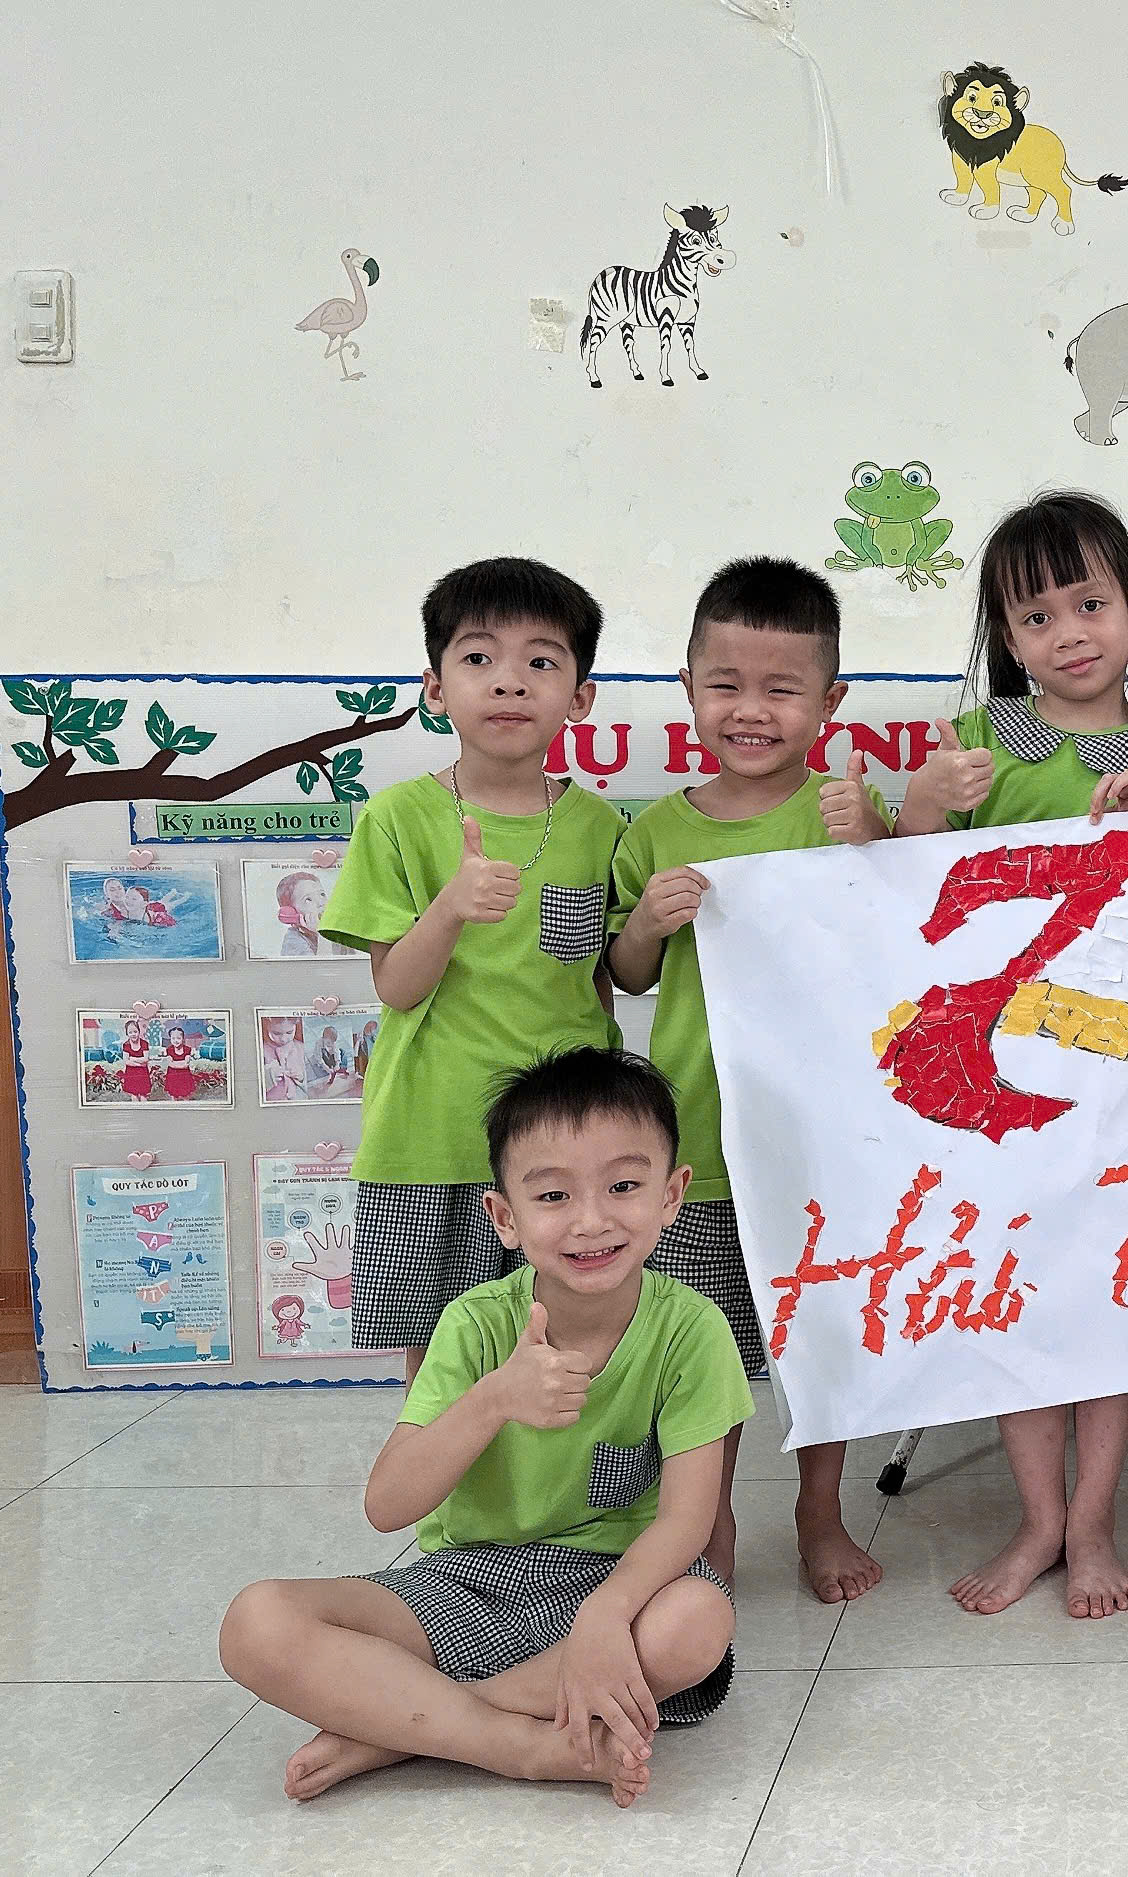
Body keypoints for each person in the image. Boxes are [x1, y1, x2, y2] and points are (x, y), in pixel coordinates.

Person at [217, 1047, 753, 1807]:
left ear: (671, 1196)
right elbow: (387, 1506)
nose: (592, 1220)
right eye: (553, 1195)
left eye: (624, 1186)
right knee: (257, 1621)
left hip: (615, 1582)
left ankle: (404, 1726)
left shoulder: (692, 1330)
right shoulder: (473, 1324)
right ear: (505, 1217)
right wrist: (494, 1398)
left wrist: (604, 1615)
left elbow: (686, 1521)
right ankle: (516, 1744)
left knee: (698, 1620)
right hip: (464, 1580)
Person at [894, 489, 1128, 1619]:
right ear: (1005, 633)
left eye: (1088, 604)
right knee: (1018, 1290)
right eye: (1035, 617)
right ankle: (1037, 1518)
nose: (1067, 633)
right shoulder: (982, 745)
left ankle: (1092, 1521)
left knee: (1108, 1289)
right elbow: (906, 899)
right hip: (1003, 1072)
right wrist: (922, 807)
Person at [608, 555, 892, 1603]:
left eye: (782, 688)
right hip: (695, 1131)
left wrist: (872, 841)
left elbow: (901, 941)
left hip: (825, 1133)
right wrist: (646, 921)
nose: (751, 709)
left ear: (830, 700)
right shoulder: (657, 828)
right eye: (725, 684)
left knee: (826, 1334)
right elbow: (625, 974)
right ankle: (707, 1522)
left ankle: (821, 1508)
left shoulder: (844, 806)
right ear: (688, 687)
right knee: (704, 1346)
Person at [321, 558, 624, 1381]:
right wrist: (450, 906)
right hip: (432, 1137)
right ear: (435, 687)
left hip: (566, 1144)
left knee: (574, 1342)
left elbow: (603, 983)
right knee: (444, 1357)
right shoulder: (397, 817)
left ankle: (559, 1472)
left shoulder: (600, 825)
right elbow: (396, 986)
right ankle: (444, 1473)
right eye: (479, 657)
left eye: (541, 661)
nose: (509, 681)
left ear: (580, 696)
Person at [162, 1021, 199, 1101]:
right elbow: (170, 1064)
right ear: (170, 1039)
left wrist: (176, 1064)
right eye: (173, 1038)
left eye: (178, 1038)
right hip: (173, 1077)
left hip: (184, 1077)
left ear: (183, 1039)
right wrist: (180, 1064)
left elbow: (185, 1064)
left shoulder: (187, 1049)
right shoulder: (169, 1049)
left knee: (185, 1096)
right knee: (174, 1096)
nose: (176, 1040)